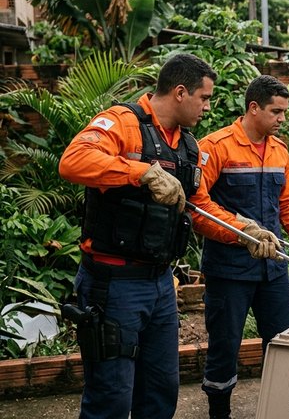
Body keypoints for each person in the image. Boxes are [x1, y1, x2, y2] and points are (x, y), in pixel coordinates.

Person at [59, 54, 275, 419]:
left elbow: (198, 207)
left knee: (160, 393)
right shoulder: (123, 122)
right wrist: (141, 172)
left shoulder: (188, 146)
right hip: (114, 285)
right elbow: (73, 160)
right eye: (204, 98)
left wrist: (244, 231)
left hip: (160, 284)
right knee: (111, 397)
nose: (208, 107)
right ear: (180, 92)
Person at [195, 75, 289, 419]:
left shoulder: (278, 149)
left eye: (284, 111)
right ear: (253, 108)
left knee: (284, 342)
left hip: (273, 268)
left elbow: (286, 203)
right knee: (225, 346)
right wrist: (241, 232)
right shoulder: (216, 147)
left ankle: (281, 407)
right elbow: (196, 208)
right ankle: (220, 412)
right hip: (229, 270)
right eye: (276, 111)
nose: (282, 118)